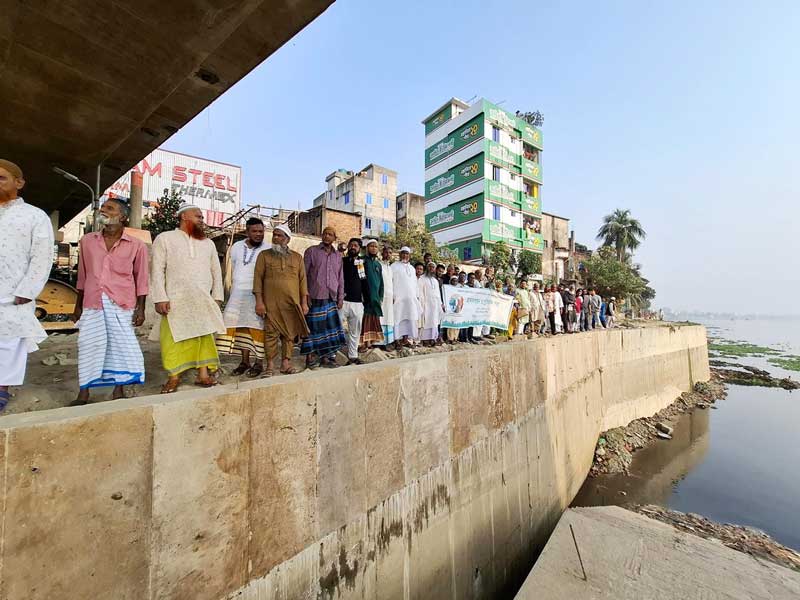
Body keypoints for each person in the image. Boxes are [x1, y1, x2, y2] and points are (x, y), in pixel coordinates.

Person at [72, 198, 148, 405]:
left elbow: (141, 278)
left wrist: (141, 309)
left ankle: (118, 390)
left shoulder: (136, 245)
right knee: (88, 344)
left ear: (122, 217)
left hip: (121, 303)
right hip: (92, 301)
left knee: (120, 346)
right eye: (103, 208)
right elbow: (83, 275)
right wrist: (77, 305)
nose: (103, 210)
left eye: (110, 208)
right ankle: (84, 393)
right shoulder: (87, 241)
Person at [150, 203, 225, 393]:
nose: (202, 220)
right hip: (175, 300)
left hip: (202, 299)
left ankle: (203, 375)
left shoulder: (208, 243)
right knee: (173, 340)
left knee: (204, 338)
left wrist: (217, 297)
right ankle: (173, 377)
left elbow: (217, 271)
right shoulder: (165, 238)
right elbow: (157, 270)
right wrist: (160, 297)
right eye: (198, 216)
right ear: (184, 217)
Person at [0, 160, 54, 411]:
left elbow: (42, 255)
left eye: (2, 178)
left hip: (13, 293)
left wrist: (28, 290)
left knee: (8, 341)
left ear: (19, 183)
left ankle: (2, 389)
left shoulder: (34, 215)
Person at [253, 224, 309, 376]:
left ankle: (286, 363)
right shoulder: (264, 255)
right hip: (271, 303)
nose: (276, 238)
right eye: (275, 235)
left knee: (290, 334)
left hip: (292, 303)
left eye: (280, 236)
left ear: (288, 239)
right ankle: (270, 365)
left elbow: (303, 281)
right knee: (270, 333)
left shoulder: (297, 257)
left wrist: (304, 303)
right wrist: (259, 302)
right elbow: (258, 279)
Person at [216, 218, 269, 377]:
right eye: (255, 231)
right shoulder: (236, 247)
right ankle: (244, 361)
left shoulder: (268, 249)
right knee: (240, 327)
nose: (259, 234)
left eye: (261, 231)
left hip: (258, 295)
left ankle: (259, 363)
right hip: (237, 293)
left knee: (258, 328)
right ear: (247, 232)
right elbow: (233, 267)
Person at [301, 226, 345, 369]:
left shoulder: (338, 256)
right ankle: (310, 358)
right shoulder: (311, 252)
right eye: (325, 234)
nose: (327, 236)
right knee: (313, 328)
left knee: (328, 329)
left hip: (331, 297)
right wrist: (305, 295)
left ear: (334, 238)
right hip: (314, 297)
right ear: (321, 236)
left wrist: (340, 298)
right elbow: (303, 276)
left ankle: (325, 358)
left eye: (330, 234)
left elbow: (340, 278)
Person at [340, 238, 365, 364]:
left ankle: (353, 356)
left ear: (359, 248)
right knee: (337, 328)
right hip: (342, 301)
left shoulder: (362, 263)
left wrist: (365, 299)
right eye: (351, 245)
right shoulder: (342, 261)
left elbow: (364, 281)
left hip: (357, 303)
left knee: (354, 331)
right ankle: (333, 355)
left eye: (355, 245)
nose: (352, 247)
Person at [391, 246, 421, 347]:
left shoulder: (412, 268)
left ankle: (405, 339)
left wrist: (416, 296)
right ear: (400, 254)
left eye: (407, 254)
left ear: (409, 255)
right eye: (403, 253)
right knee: (398, 318)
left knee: (409, 318)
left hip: (410, 299)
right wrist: (393, 295)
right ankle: (397, 340)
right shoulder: (394, 266)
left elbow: (414, 283)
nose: (405, 255)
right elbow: (391, 282)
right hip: (398, 297)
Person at [359, 240, 384, 349]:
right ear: (367, 248)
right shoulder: (361, 261)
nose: (374, 248)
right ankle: (364, 343)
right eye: (371, 246)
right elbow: (360, 278)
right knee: (366, 318)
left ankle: (371, 342)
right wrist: (362, 293)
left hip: (376, 297)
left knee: (374, 318)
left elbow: (381, 282)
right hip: (365, 296)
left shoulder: (378, 264)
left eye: (375, 246)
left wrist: (381, 296)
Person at [418, 262, 444, 346]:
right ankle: (425, 339)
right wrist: (422, 304)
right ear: (427, 268)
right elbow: (420, 292)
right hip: (426, 304)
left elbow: (438, 294)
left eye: (433, 267)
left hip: (435, 305)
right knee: (426, 322)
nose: (431, 269)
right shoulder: (422, 278)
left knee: (434, 321)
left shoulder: (435, 281)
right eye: (429, 267)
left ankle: (433, 338)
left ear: (434, 269)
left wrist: (440, 304)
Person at [378, 246, 395, 347]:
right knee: (381, 318)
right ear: (382, 253)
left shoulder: (390, 267)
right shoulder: (379, 265)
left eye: (390, 253)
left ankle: (388, 342)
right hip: (381, 296)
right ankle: (380, 342)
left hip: (389, 297)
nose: (388, 254)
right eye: (386, 252)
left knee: (388, 319)